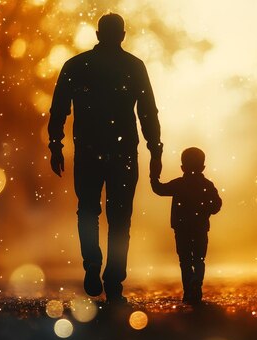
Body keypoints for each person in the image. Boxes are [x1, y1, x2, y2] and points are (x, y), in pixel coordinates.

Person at [48, 13, 163, 303]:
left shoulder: (76, 65)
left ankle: (91, 265)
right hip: (123, 152)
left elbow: (59, 107)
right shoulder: (134, 66)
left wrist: (55, 143)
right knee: (120, 217)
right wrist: (155, 148)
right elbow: (148, 111)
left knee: (87, 211)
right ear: (123, 35)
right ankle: (113, 280)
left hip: (87, 150)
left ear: (97, 34)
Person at [151, 147, 221, 304]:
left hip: (181, 229)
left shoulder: (178, 184)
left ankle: (189, 290)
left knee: (185, 260)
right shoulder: (207, 185)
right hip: (200, 228)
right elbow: (217, 205)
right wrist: (205, 210)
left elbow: (159, 189)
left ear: (182, 167)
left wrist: (153, 174)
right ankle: (196, 284)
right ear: (203, 167)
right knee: (199, 259)